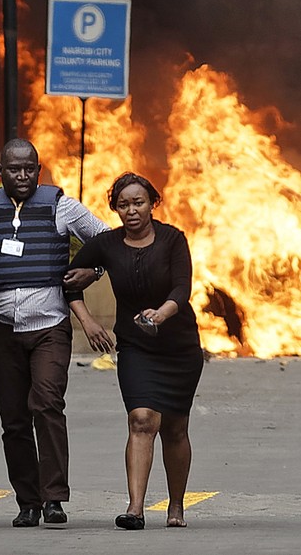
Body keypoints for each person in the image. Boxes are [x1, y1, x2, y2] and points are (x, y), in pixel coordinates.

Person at [0, 138, 109, 527]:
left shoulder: (62, 207)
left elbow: (109, 244)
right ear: (0, 172)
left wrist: (94, 271)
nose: (22, 175)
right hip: (3, 331)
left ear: (39, 171)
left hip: (49, 328)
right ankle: (28, 501)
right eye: (13, 169)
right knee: (14, 419)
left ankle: (54, 498)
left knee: (46, 405)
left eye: (29, 169)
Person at [64, 172, 204, 530]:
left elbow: (181, 288)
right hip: (136, 346)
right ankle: (135, 508)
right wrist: (89, 322)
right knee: (141, 419)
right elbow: (67, 282)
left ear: (152, 203)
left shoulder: (173, 239)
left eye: (138, 202)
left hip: (178, 346)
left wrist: (161, 313)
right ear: (115, 209)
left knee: (174, 428)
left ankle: (175, 506)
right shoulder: (107, 245)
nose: (131, 211)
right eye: (123, 205)